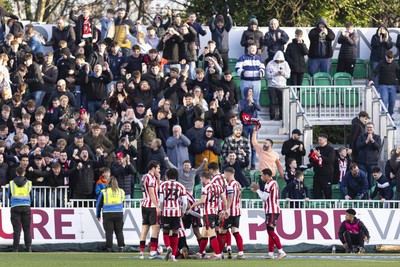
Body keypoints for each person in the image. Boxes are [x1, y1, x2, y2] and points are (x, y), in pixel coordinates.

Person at [189, 171, 227, 260]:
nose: (201, 180)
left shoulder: (205, 187)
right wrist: (225, 210)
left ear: (204, 178)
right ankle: (200, 253)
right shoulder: (218, 186)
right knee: (205, 234)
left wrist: (193, 205)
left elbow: (203, 200)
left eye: (201, 178)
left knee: (211, 233)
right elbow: (224, 199)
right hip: (215, 212)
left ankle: (218, 254)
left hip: (208, 213)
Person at [251, 168, 286, 260]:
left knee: (270, 231)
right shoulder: (274, 183)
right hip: (273, 209)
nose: (261, 177)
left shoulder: (268, 183)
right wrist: (259, 191)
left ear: (267, 175)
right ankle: (270, 253)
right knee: (271, 231)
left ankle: (281, 251)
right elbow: (267, 195)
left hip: (271, 210)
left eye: (262, 175)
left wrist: (258, 190)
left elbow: (264, 198)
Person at [159, 168, 187, 262]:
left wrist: (162, 209)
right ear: (177, 176)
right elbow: (185, 202)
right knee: (175, 233)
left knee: (166, 231)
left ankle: (167, 247)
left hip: (167, 211)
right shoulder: (181, 186)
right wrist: (182, 211)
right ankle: (173, 256)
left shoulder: (163, 185)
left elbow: (161, 200)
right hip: (176, 212)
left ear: (167, 176)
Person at [218, 167, 245, 259]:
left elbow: (230, 197)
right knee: (235, 231)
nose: (224, 176)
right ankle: (241, 252)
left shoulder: (230, 184)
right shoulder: (238, 184)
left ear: (228, 173)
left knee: (223, 232)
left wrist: (226, 209)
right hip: (237, 210)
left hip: (230, 211)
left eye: (225, 174)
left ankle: (220, 253)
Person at [96, 176, 125, 252]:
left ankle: (109, 248)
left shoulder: (104, 192)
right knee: (119, 231)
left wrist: (98, 215)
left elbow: (99, 204)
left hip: (107, 214)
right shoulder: (121, 191)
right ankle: (121, 247)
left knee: (109, 232)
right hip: (119, 213)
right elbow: (122, 201)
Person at [139, 160, 161, 259]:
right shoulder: (151, 178)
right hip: (151, 205)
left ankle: (141, 252)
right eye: (158, 168)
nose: (159, 170)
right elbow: (152, 193)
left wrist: (159, 180)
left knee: (144, 229)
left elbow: (155, 189)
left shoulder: (144, 177)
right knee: (155, 228)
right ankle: (152, 252)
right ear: (153, 168)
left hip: (144, 204)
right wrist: (157, 206)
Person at [8, 166, 33, 252]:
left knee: (16, 229)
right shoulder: (29, 183)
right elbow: (32, 196)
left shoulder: (11, 183)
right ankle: (29, 248)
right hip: (26, 206)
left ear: (16, 173)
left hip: (15, 207)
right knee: (27, 228)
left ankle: (15, 248)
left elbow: (9, 195)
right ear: (24, 173)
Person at [368, 50, 400, 117]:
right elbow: (374, 72)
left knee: (392, 102)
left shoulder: (395, 64)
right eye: (388, 58)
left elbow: (399, 75)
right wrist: (371, 80)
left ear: (393, 58)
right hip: (383, 86)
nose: (389, 60)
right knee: (384, 102)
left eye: (391, 59)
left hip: (393, 86)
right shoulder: (381, 63)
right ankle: (384, 117)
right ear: (385, 57)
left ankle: (390, 116)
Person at [239, 87, 261, 169]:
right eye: (249, 91)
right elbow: (243, 110)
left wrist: (253, 103)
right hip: (245, 124)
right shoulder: (242, 101)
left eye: (251, 91)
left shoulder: (254, 100)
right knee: (244, 145)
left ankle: (253, 164)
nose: (250, 93)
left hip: (253, 124)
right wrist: (249, 104)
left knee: (253, 144)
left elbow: (259, 109)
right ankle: (245, 162)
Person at [266, 50, 290, 120]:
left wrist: (283, 74)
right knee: (272, 102)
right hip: (272, 86)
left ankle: (281, 117)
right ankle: (272, 117)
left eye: (280, 60)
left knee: (281, 102)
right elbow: (267, 75)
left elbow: (288, 75)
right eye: (277, 60)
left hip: (282, 86)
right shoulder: (270, 63)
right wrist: (275, 74)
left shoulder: (285, 64)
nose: (279, 61)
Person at [309, 133, 335, 199]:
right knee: (316, 192)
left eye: (320, 140)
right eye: (318, 140)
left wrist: (320, 156)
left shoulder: (330, 149)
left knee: (327, 193)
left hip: (327, 175)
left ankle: (329, 208)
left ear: (325, 140)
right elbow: (311, 160)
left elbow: (330, 160)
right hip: (317, 174)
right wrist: (312, 156)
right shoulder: (317, 148)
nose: (319, 141)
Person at [356, 122, 382, 189]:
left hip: (372, 162)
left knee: (371, 180)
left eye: (371, 127)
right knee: (362, 179)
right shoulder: (361, 136)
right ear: (366, 128)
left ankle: (371, 197)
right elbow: (358, 146)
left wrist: (372, 141)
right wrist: (366, 141)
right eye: (368, 127)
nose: (369, 129)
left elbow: (378, 147)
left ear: (373, 128)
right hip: (362, 161)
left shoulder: (377, 137)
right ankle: (363, 196)